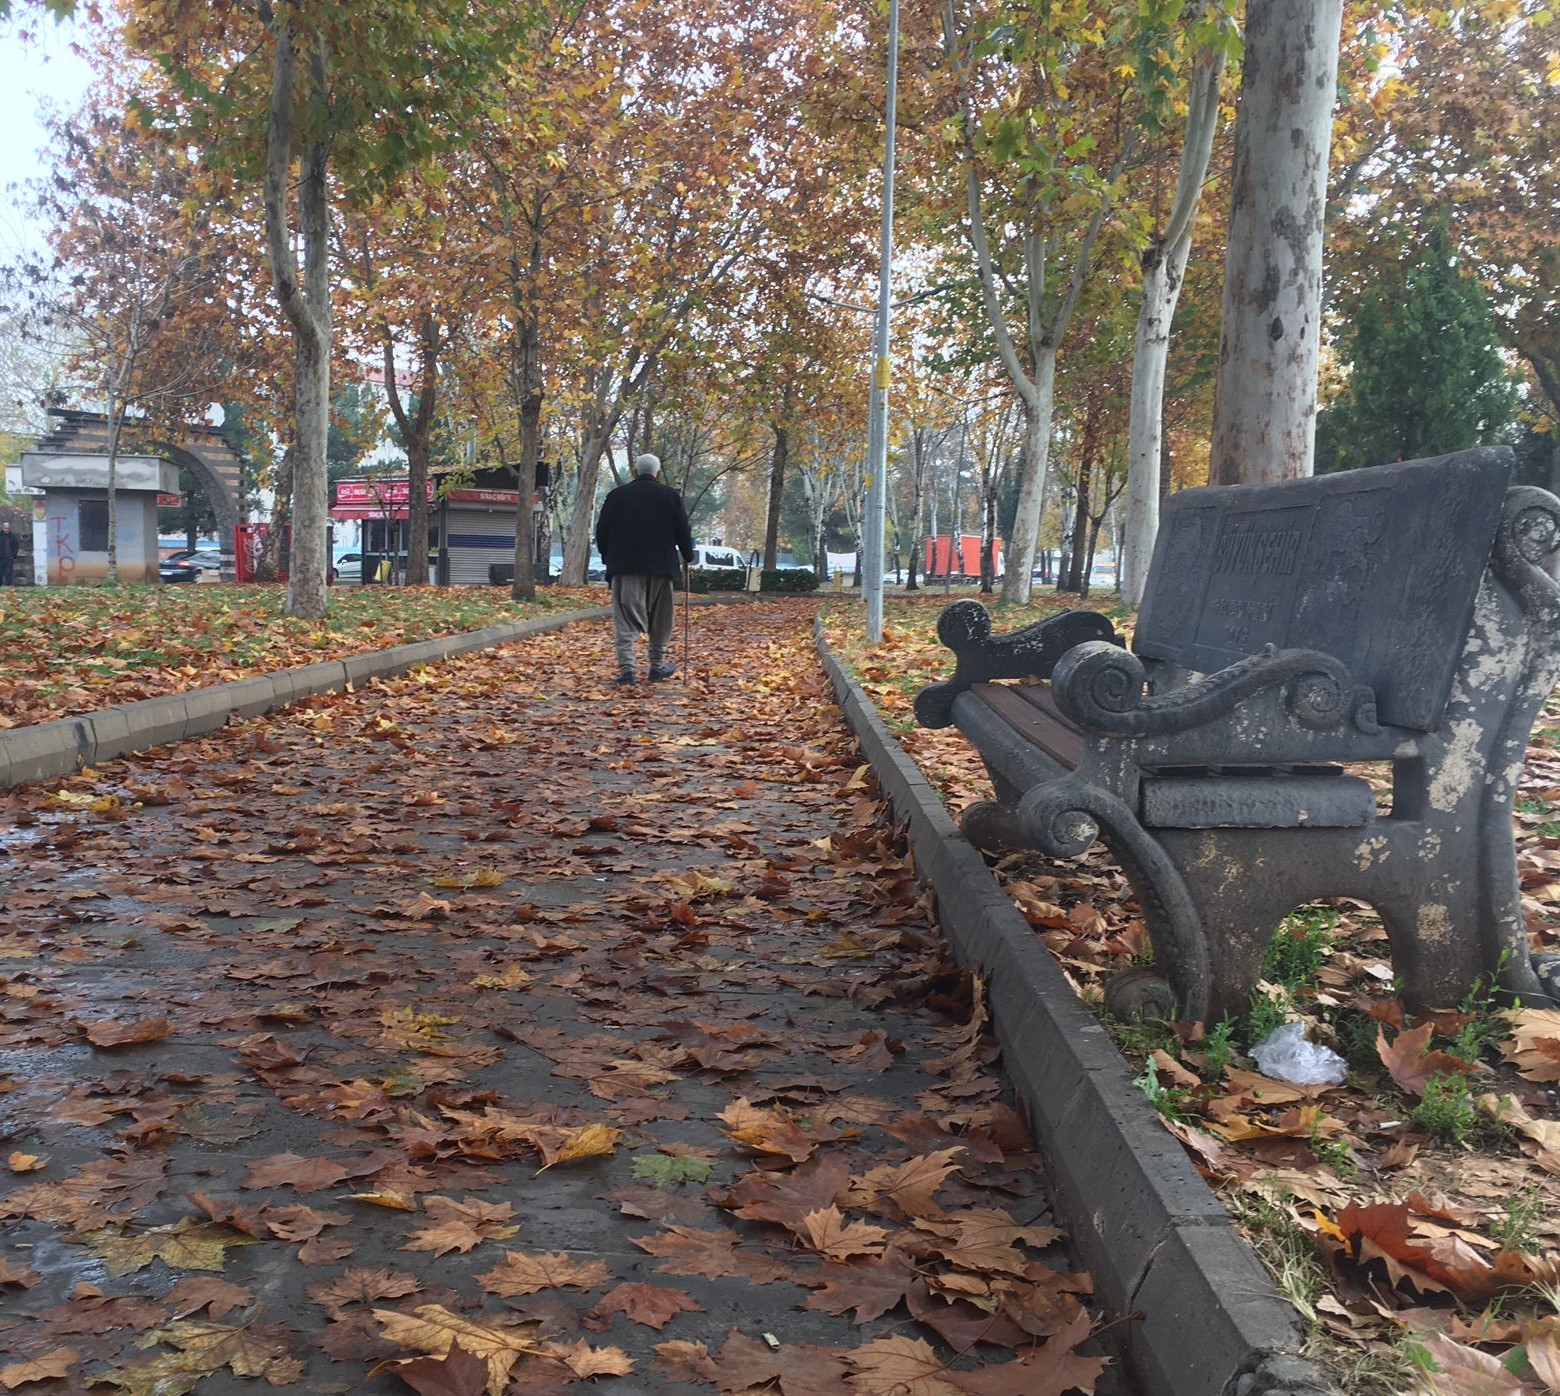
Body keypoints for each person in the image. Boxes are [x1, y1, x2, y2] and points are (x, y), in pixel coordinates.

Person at [594, 453, 694, 684]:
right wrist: (687, 556)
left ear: (636, 471)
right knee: (661, 620)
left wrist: (608, 558)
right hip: (661, 568)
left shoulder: (616, 496)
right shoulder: (670, 496)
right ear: (657, 472)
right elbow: (682, 530)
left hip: (624, 567)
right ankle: (657, 666)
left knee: (625, 620)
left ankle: (627, 670)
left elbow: (602, 531)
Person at [0, 520, 19, 586]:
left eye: (8, 528)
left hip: (9, 557)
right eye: (5, 528)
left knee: (8, 572)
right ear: (2, 528)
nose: (7, 530)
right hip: (1, 557)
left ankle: (8, 585)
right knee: (0, 572)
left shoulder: (12, 536)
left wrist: (14, 555)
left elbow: (16, 546)